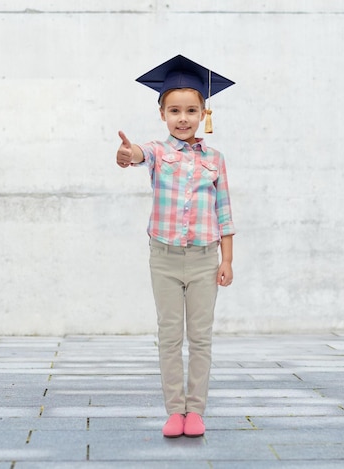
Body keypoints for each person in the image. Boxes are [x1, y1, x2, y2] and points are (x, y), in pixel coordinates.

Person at [115, 55, 236, 438]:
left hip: (204, 259)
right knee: (169, 334)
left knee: (200, 336)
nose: (182, 118)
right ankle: (174, 410)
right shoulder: (157, 153)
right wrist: (127, 154)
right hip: (164, 259)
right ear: (162, 113)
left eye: (190, 110)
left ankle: (195, 410)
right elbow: (137, 155)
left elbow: (225, 213)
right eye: (174, 110)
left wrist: (227, 261)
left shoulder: (215, 160)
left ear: (204, 112)